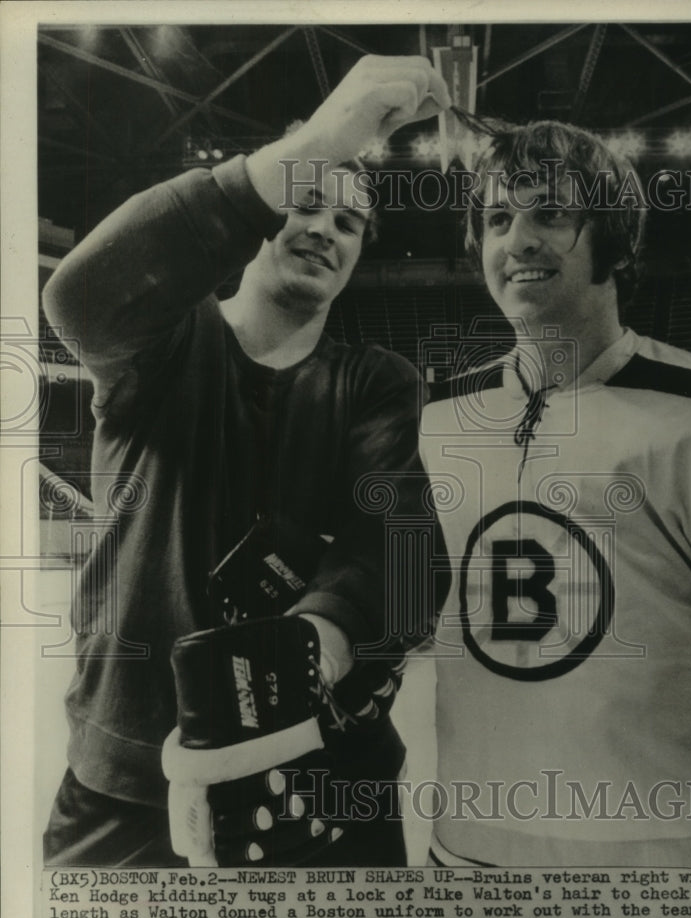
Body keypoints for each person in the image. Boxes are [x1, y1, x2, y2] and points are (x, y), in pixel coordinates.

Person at [41, 55, 451, 867]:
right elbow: (80, 298)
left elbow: (399, 548)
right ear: (263, 210)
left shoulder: (375, 382)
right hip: (132, 774)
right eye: (306, 201)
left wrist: (312, 649)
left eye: (348, 224)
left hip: (325, 772)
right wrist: (330, 137)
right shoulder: (167, 343)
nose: (324, 230)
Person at [420, 119, 691, 869]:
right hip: (468, 852)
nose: (517, 240)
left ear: (612, 238)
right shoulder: (434, 421)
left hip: (672, 865)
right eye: (496, 219)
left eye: (551, 212)